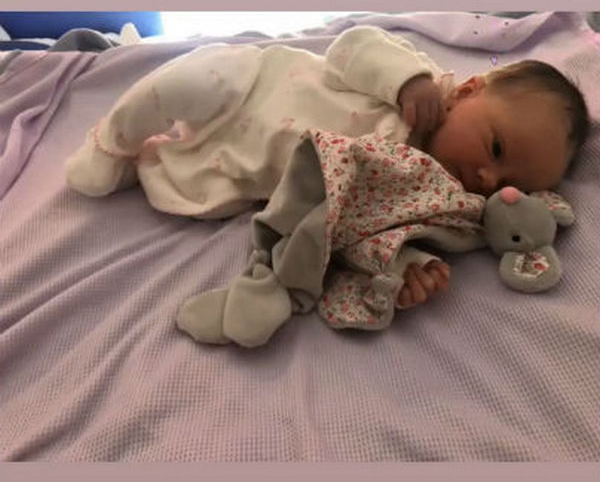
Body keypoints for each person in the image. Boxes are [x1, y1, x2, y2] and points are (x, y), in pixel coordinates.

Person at [66, 26, 589, 309]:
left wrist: (404, 271)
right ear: (469, 91)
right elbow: (351, 46)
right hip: (251, 85)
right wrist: (406, 80)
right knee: (185, 85)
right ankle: (113, 139)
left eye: (509, 183)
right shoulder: (419, 85)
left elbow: (361, 230)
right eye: (495, 147)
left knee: (198, 190)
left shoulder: (434, 197)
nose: (488, 179)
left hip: (249, 161)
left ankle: (149, 159)